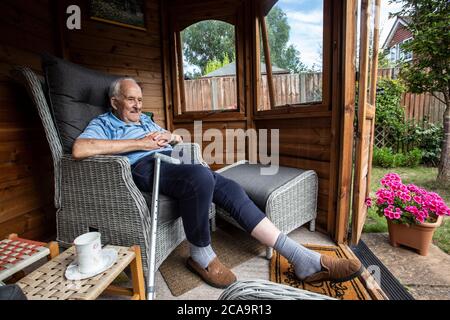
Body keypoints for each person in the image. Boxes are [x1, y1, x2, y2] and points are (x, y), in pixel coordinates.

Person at [72, 78, 363, 288]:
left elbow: (174, 136)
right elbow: (80, 149)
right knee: (199, 176)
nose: (137, 105)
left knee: (229, 187)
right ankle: (200, 255)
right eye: (130, 99)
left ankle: (300, 257)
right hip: (144, 168)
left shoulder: (146, 121)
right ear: (114, 102)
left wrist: (171, 137)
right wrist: (138, 144)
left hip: (173, 159)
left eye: (139, 99)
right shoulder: (105, 122)